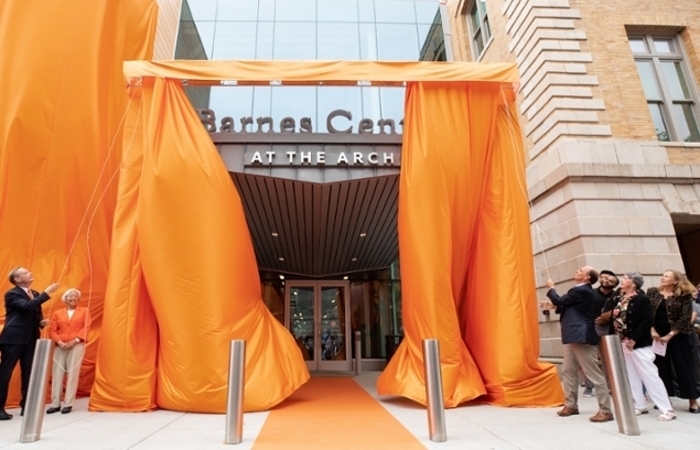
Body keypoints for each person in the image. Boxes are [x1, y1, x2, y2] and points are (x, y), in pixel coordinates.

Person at [544, 266, 613, 422]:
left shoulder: (583, 290)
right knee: (568, 370)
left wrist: (552, 288)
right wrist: (554, 306)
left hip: (581, 335)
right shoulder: (579, 290)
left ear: (587, 278)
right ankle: (571, 404)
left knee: (593, 373)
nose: (577, 270)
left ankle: (605, 410)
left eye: (581, 270)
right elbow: (566, 305)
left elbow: (560, 300)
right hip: (572, 335)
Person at [609, 273, 676, 421]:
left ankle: (667, 409)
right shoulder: (619, 299)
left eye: (626, 278)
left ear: (633, 283)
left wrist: (634, 338)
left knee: (649, 374)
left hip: (638, 343)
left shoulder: (642, 299)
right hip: (623, 341)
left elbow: (646, 321)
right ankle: (640, 404)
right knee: (632, 375)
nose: (622, 280)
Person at [0, 267, 59, 420]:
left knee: (29, 374)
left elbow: (35, 312)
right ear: (18, 279)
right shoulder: (12, 294)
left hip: (31, 339)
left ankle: (27, 406)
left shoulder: (35, 294)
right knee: (5, 374)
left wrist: (41, 322)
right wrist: (47, 293)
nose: (30, 273)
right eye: (25, 273)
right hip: (13, 339)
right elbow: (26, 306)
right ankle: (0, 408)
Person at [647, 269, 700, 414]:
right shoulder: (652, 292)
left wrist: (670, 335)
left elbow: (685, 318)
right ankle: (665, 400)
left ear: (675, 280)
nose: (662, 278)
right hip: (657, 335)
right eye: (662, 275)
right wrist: (652, 330)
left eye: (666, 276)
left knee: (684, 367)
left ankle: (693, 400)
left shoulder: (684, 295)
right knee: (660, 367)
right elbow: (647, 313)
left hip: (679, 335)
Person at [47, 288, 91, 414]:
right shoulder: (57, 313)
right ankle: (55, 403)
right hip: (59, 345)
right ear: (65, 299)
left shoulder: (84, 311)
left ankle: (68, 403)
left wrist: (75, 341)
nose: (73, 298)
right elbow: (53, 330)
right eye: (70, 296)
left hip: (76, 344)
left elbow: (86, 327)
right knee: (57, 373)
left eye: (75, 296)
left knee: (73, 373)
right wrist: (59, 342)